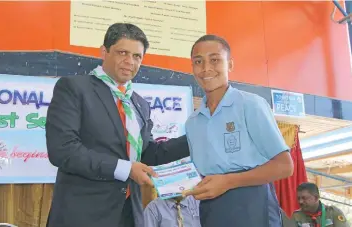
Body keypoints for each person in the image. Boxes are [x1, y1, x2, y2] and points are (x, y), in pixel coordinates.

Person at [45, 23, 189, 227]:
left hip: (129, 212)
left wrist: (193, 139)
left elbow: (148, 154)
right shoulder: (74, 89)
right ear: (104, 51)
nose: (130, 61)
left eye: (137, 56)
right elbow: (63, 150)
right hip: (83, 214)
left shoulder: (139, 103)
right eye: (123, 52)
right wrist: (127, 169)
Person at [182, 34, 294, 227]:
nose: (206, 68)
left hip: (253, 204)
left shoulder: (250, 105)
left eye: (215, 60)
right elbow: (199, 174)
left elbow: (285, 166)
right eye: (198, 61)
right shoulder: (193, 122)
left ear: (230, 65)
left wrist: (228, 182)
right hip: (211, 208)